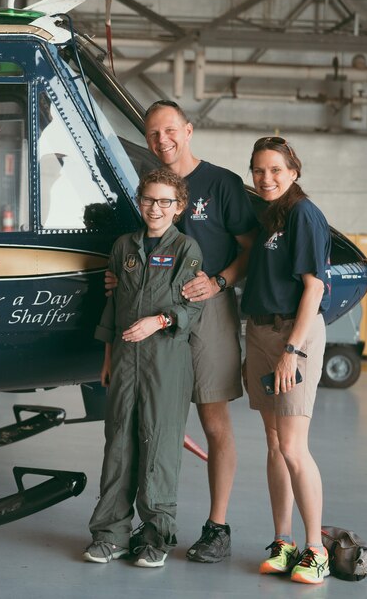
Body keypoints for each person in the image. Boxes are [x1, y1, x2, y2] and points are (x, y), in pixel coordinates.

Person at [133, 100, 260, 563]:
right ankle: (150, 525)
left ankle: (217, 527)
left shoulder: (222, 183)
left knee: (213, 421)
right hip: (156, 315)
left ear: (187, 131)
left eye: (169, 130)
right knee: (150, 423)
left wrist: (220, 281)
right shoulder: (149, 188)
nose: (161, 140)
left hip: (209, 311)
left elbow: (250, 250)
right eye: (152, 134)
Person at [84, 168, 204, 568]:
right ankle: (110, 533)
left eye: (165, 201)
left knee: (158, 446)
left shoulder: (187, 249)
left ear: (179, 207)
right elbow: (113, 305)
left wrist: (159, 321)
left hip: (165, 361)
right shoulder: (124, 247)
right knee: (118, 443)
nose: (155, 208)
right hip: (124, 361)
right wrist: (107, 359)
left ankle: (156, 536)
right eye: (149, 200)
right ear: (140, 202)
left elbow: (192, 306)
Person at [242, 136, 331, 584]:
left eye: (275, 169)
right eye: (259, 170)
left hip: (291, 337)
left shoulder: (303, 214)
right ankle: (284, 541)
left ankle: (316, 549)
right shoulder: (270, 216)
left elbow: (314, 288)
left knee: (294, 447)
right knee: (275, 443)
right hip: (260, 331)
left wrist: (291, 352)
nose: (266, 178)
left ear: (294, 171)